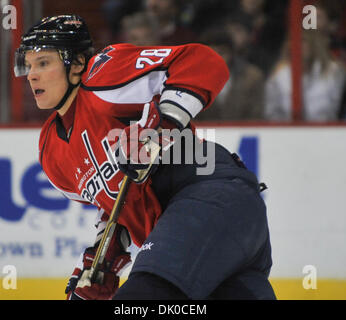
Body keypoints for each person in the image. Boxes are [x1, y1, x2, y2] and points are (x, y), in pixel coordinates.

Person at [14, 14, 276, 300]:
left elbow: (204, 62)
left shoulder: (103, 76)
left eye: (43, 63)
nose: (32, 75)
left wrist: (161, 129)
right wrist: (100, 260)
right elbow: (120, 205)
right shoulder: (52, 151)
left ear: (76, 64)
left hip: (210, 197)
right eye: (28, 66)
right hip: (208, 239)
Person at [264, 30, 346, 122]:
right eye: (292, 40)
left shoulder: (333, 72)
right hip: (289, 133)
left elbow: (337, 111)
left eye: (303, 40)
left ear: (313, 43)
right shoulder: (279, 75)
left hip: (326, 132)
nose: (296, 45)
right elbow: (272, 114)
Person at [195, 28, 265, 121]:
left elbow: (256, 117)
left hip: (243, 133)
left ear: (231, 53)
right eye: (210, 54)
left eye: (221, 53)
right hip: (204, 133)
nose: (216, 59)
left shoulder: (252, 77)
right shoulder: (192, 80)